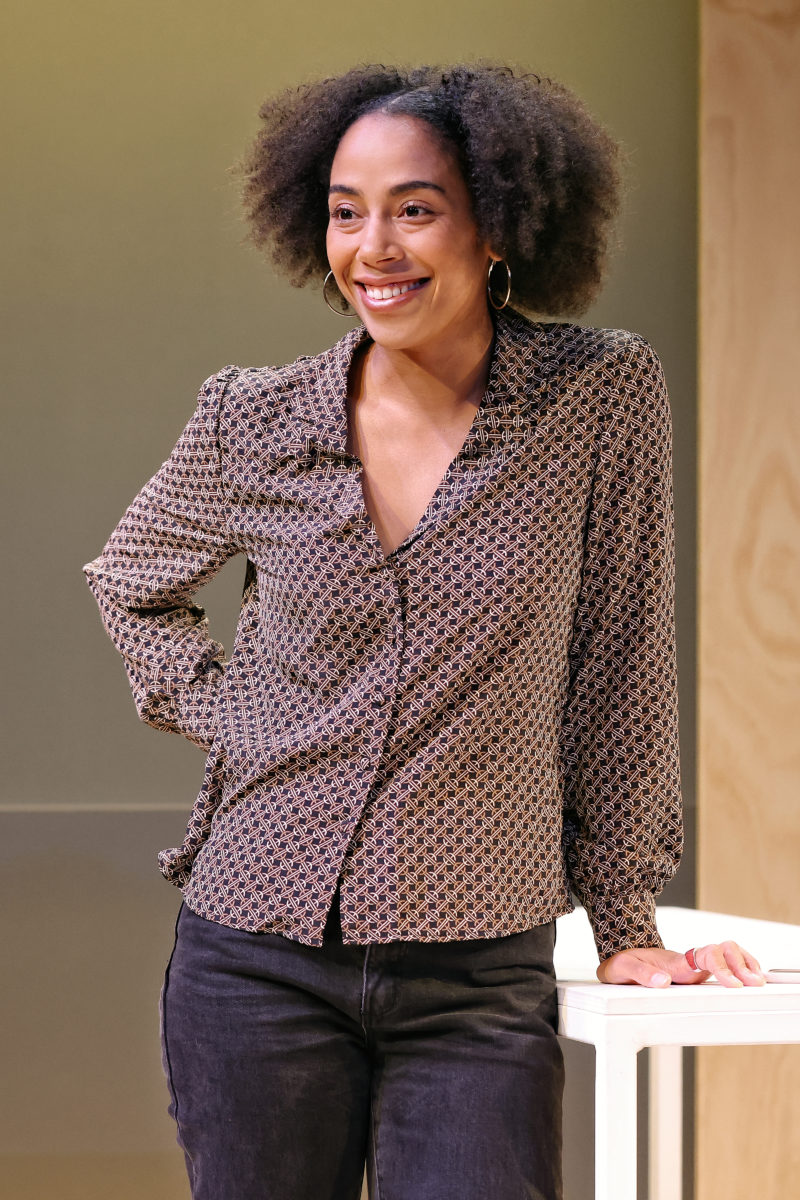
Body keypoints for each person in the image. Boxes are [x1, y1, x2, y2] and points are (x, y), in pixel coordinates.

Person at [83, 63, 765, 1200]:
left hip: (476, 979)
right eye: (347, 212)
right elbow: (131, 583)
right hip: (251, 958)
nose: (374, 247)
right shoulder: (251, 415)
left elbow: (619, 666)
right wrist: (243, 717)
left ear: (496, 226)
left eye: (415, 208)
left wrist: (624, 921)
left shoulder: (596, 398)